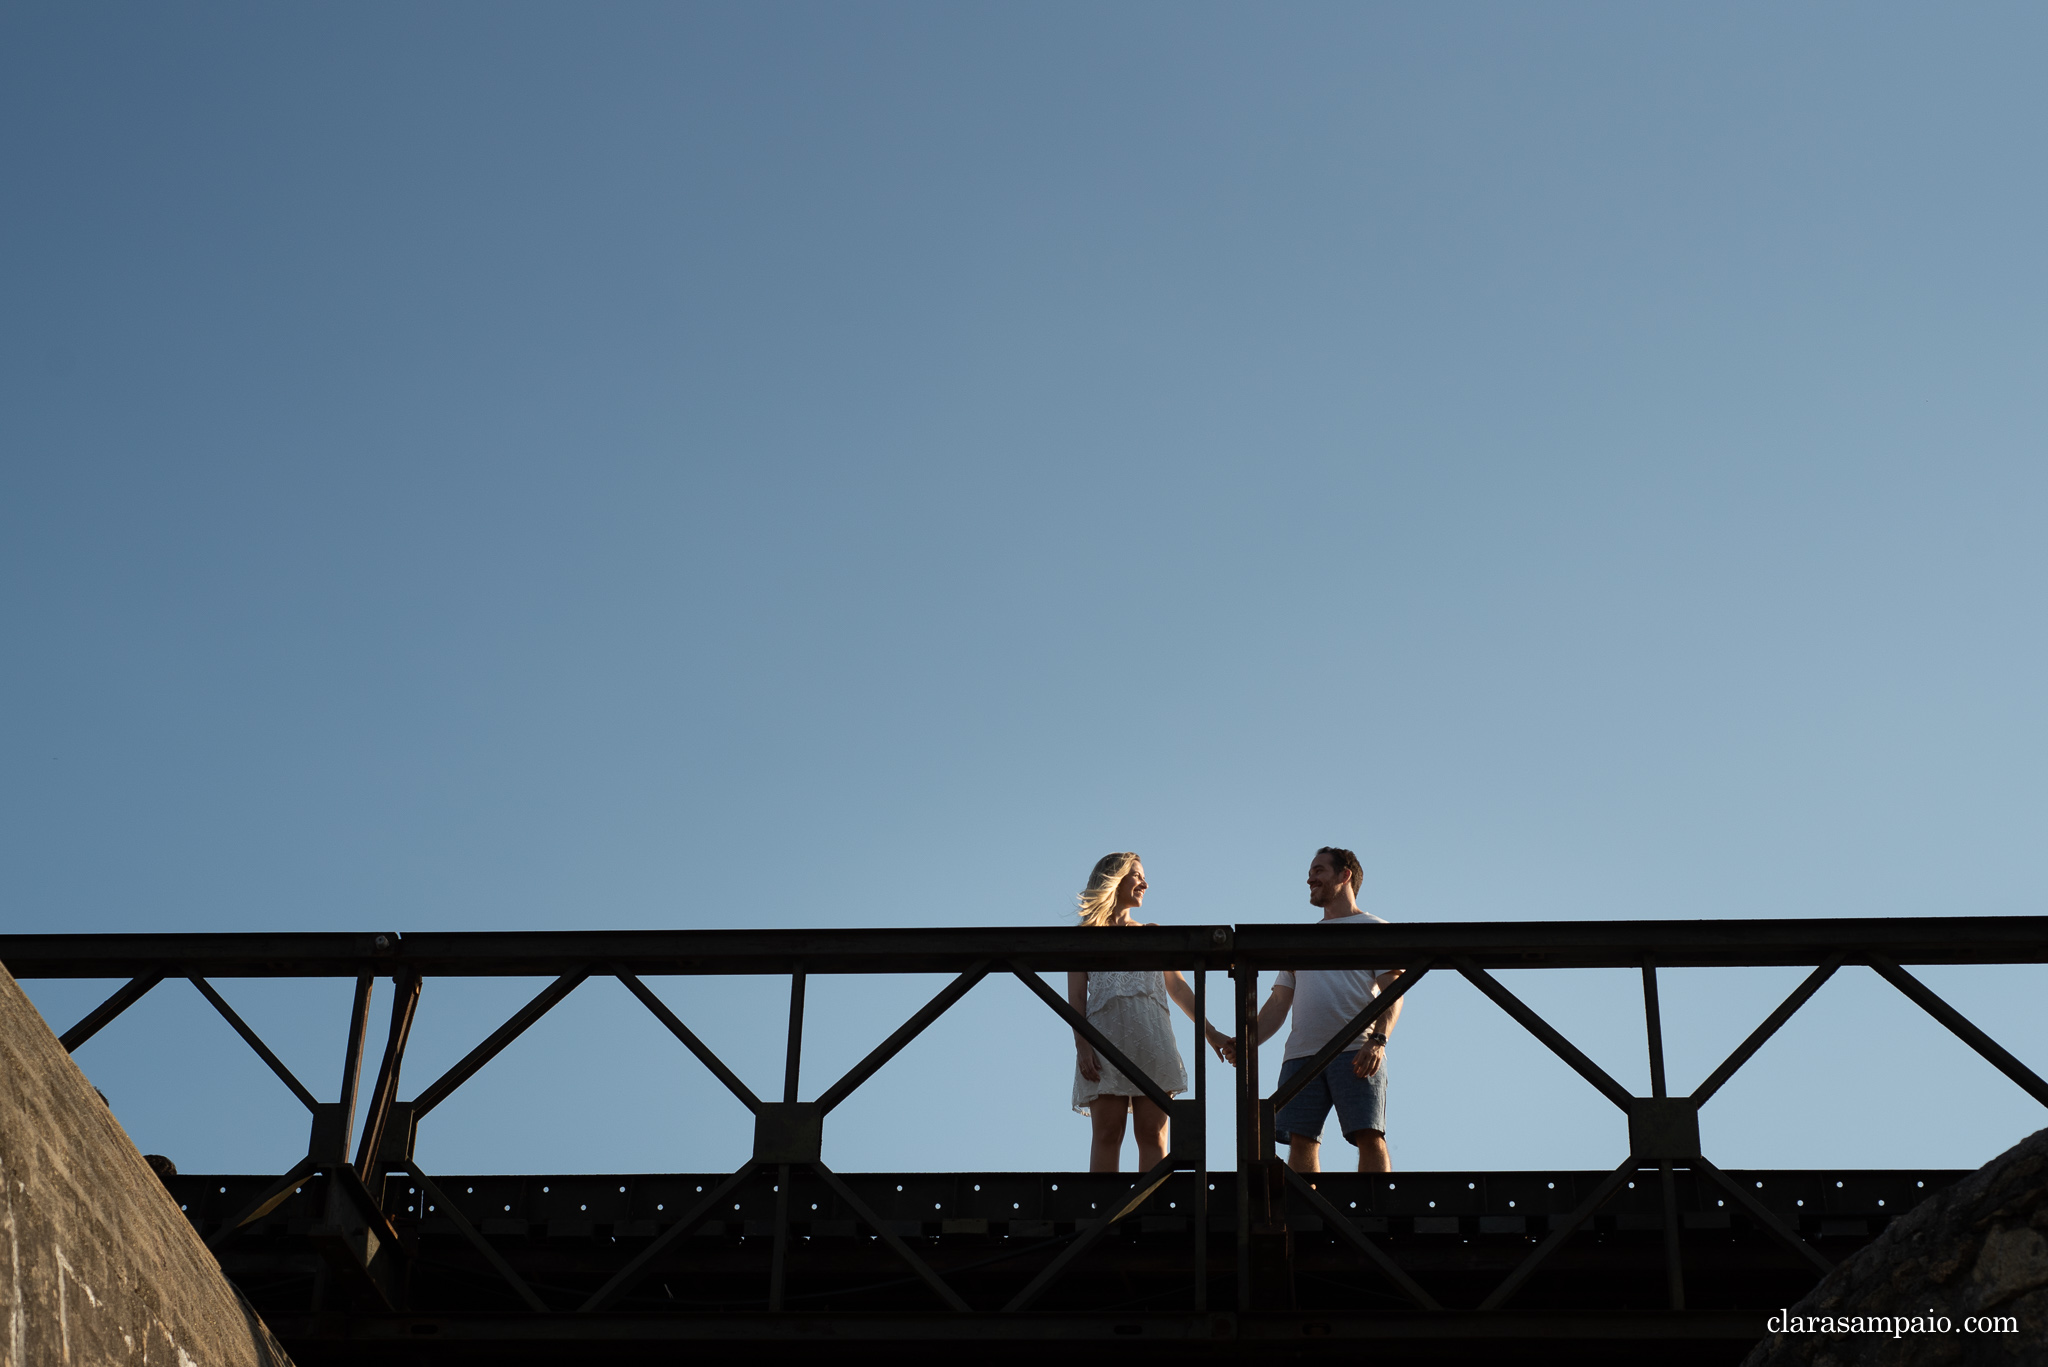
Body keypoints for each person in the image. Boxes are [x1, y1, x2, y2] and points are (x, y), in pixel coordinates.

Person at [1242, 846, 1406, 1173]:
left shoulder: (1374, 928)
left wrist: (1378, 1040)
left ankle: (1375, 1216)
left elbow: (1395, 993)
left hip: (1356, 1050)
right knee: (1301, 1139)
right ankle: (1307, 1217)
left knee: (1368, 1133)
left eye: (1319, 871)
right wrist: (1246, 1041)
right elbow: (1277, 1004)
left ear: (1344, 876)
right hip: (1301, 1056)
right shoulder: (1300, 940)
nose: (1309, 878)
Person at [1069, 852, 1235, 1172]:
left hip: (1152, 1043)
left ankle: (1154, 1213)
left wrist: (1211, 1032)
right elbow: (1075, 998)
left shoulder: (1153, 932)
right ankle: (1105, 1215)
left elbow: (1179, 989)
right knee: (1107, 1132)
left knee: (1153, 1134)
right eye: (1137, 875)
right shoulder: (1084, 937)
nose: (1145, 883)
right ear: (1114, 879)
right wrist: (1082, 1045)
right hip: (1103, 1044)